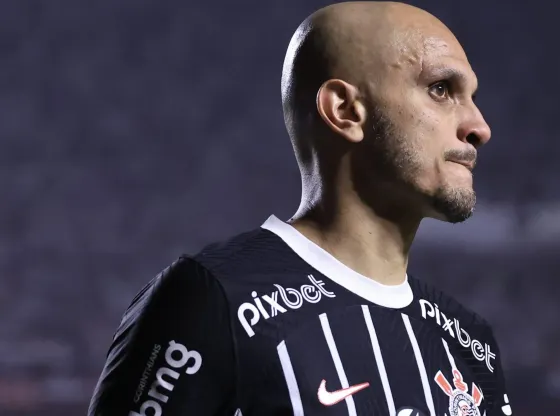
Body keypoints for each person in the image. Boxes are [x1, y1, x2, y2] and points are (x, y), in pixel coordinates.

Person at [88, 2, 512, 415]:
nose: (479, 127)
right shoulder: (214, 302)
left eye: (472, 97)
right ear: (345, 111)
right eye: (441, 90)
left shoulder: (470, 343)